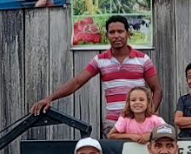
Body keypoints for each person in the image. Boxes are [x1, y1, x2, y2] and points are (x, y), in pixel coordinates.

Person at [30, 15, 162, 137]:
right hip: (114, 124)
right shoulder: (100, 60)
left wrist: (149, 114)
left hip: (140, 123)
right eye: (112, 32)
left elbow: (157, 89)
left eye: (120, 31)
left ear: (128, 33)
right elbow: (77, 82)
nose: (116, 35)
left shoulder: (143, 59)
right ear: (107, 35)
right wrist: (50, 98)